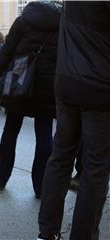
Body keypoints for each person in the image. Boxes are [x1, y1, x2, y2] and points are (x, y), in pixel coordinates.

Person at [37, 2, 110, 239]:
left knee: (61, 157)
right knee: (95, 168)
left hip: (67, 80)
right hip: (100, 85)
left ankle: (47, 232)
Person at [0, 1, 61, 198]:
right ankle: (41, 188)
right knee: (44, 136)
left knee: (10, 131)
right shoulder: (62, 22)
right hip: (48, 88)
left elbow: (5, 54)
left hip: (19, 83)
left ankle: (1, 177)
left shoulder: (24, 21)